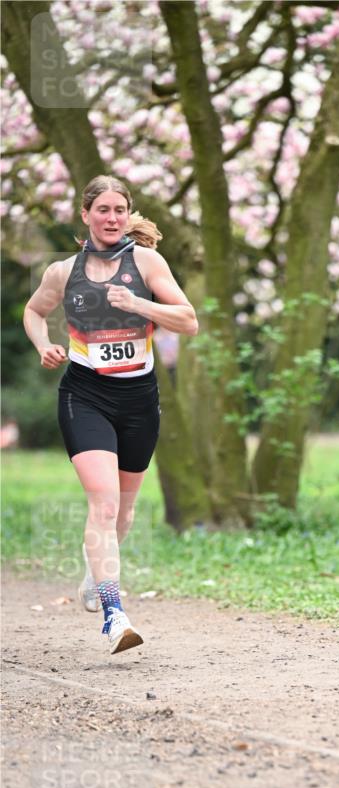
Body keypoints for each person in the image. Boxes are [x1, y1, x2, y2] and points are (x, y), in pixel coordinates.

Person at [23, 175, 198, 653]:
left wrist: (138, 302)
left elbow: (189, 320)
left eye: (120, 209)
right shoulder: (63, 271)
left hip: (139, 398)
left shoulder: (146, 262)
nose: (112, 217)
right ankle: (114, 613)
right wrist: (44, 345)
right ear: (86, 215)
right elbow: (34, 312)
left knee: (122, 513)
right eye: (102, 209)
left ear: (128, 214)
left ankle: (92, 569)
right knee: (103, 504)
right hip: (86, 395)